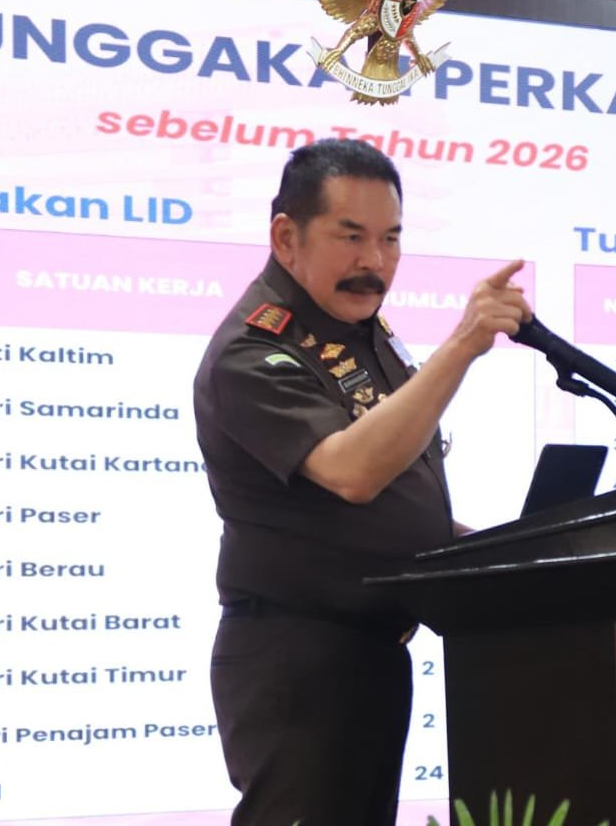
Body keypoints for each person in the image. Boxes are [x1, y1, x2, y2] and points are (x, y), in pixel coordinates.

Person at [193, 137, 530, 826]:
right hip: (296, 663)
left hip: (369, 653)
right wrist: (464, 345)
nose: (374, 262)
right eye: (351, 237)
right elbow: (352, 472)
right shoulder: (252, 351)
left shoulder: (361, 333)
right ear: (286, 237)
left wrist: (502, 548)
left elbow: (390, 496)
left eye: (390, 238)